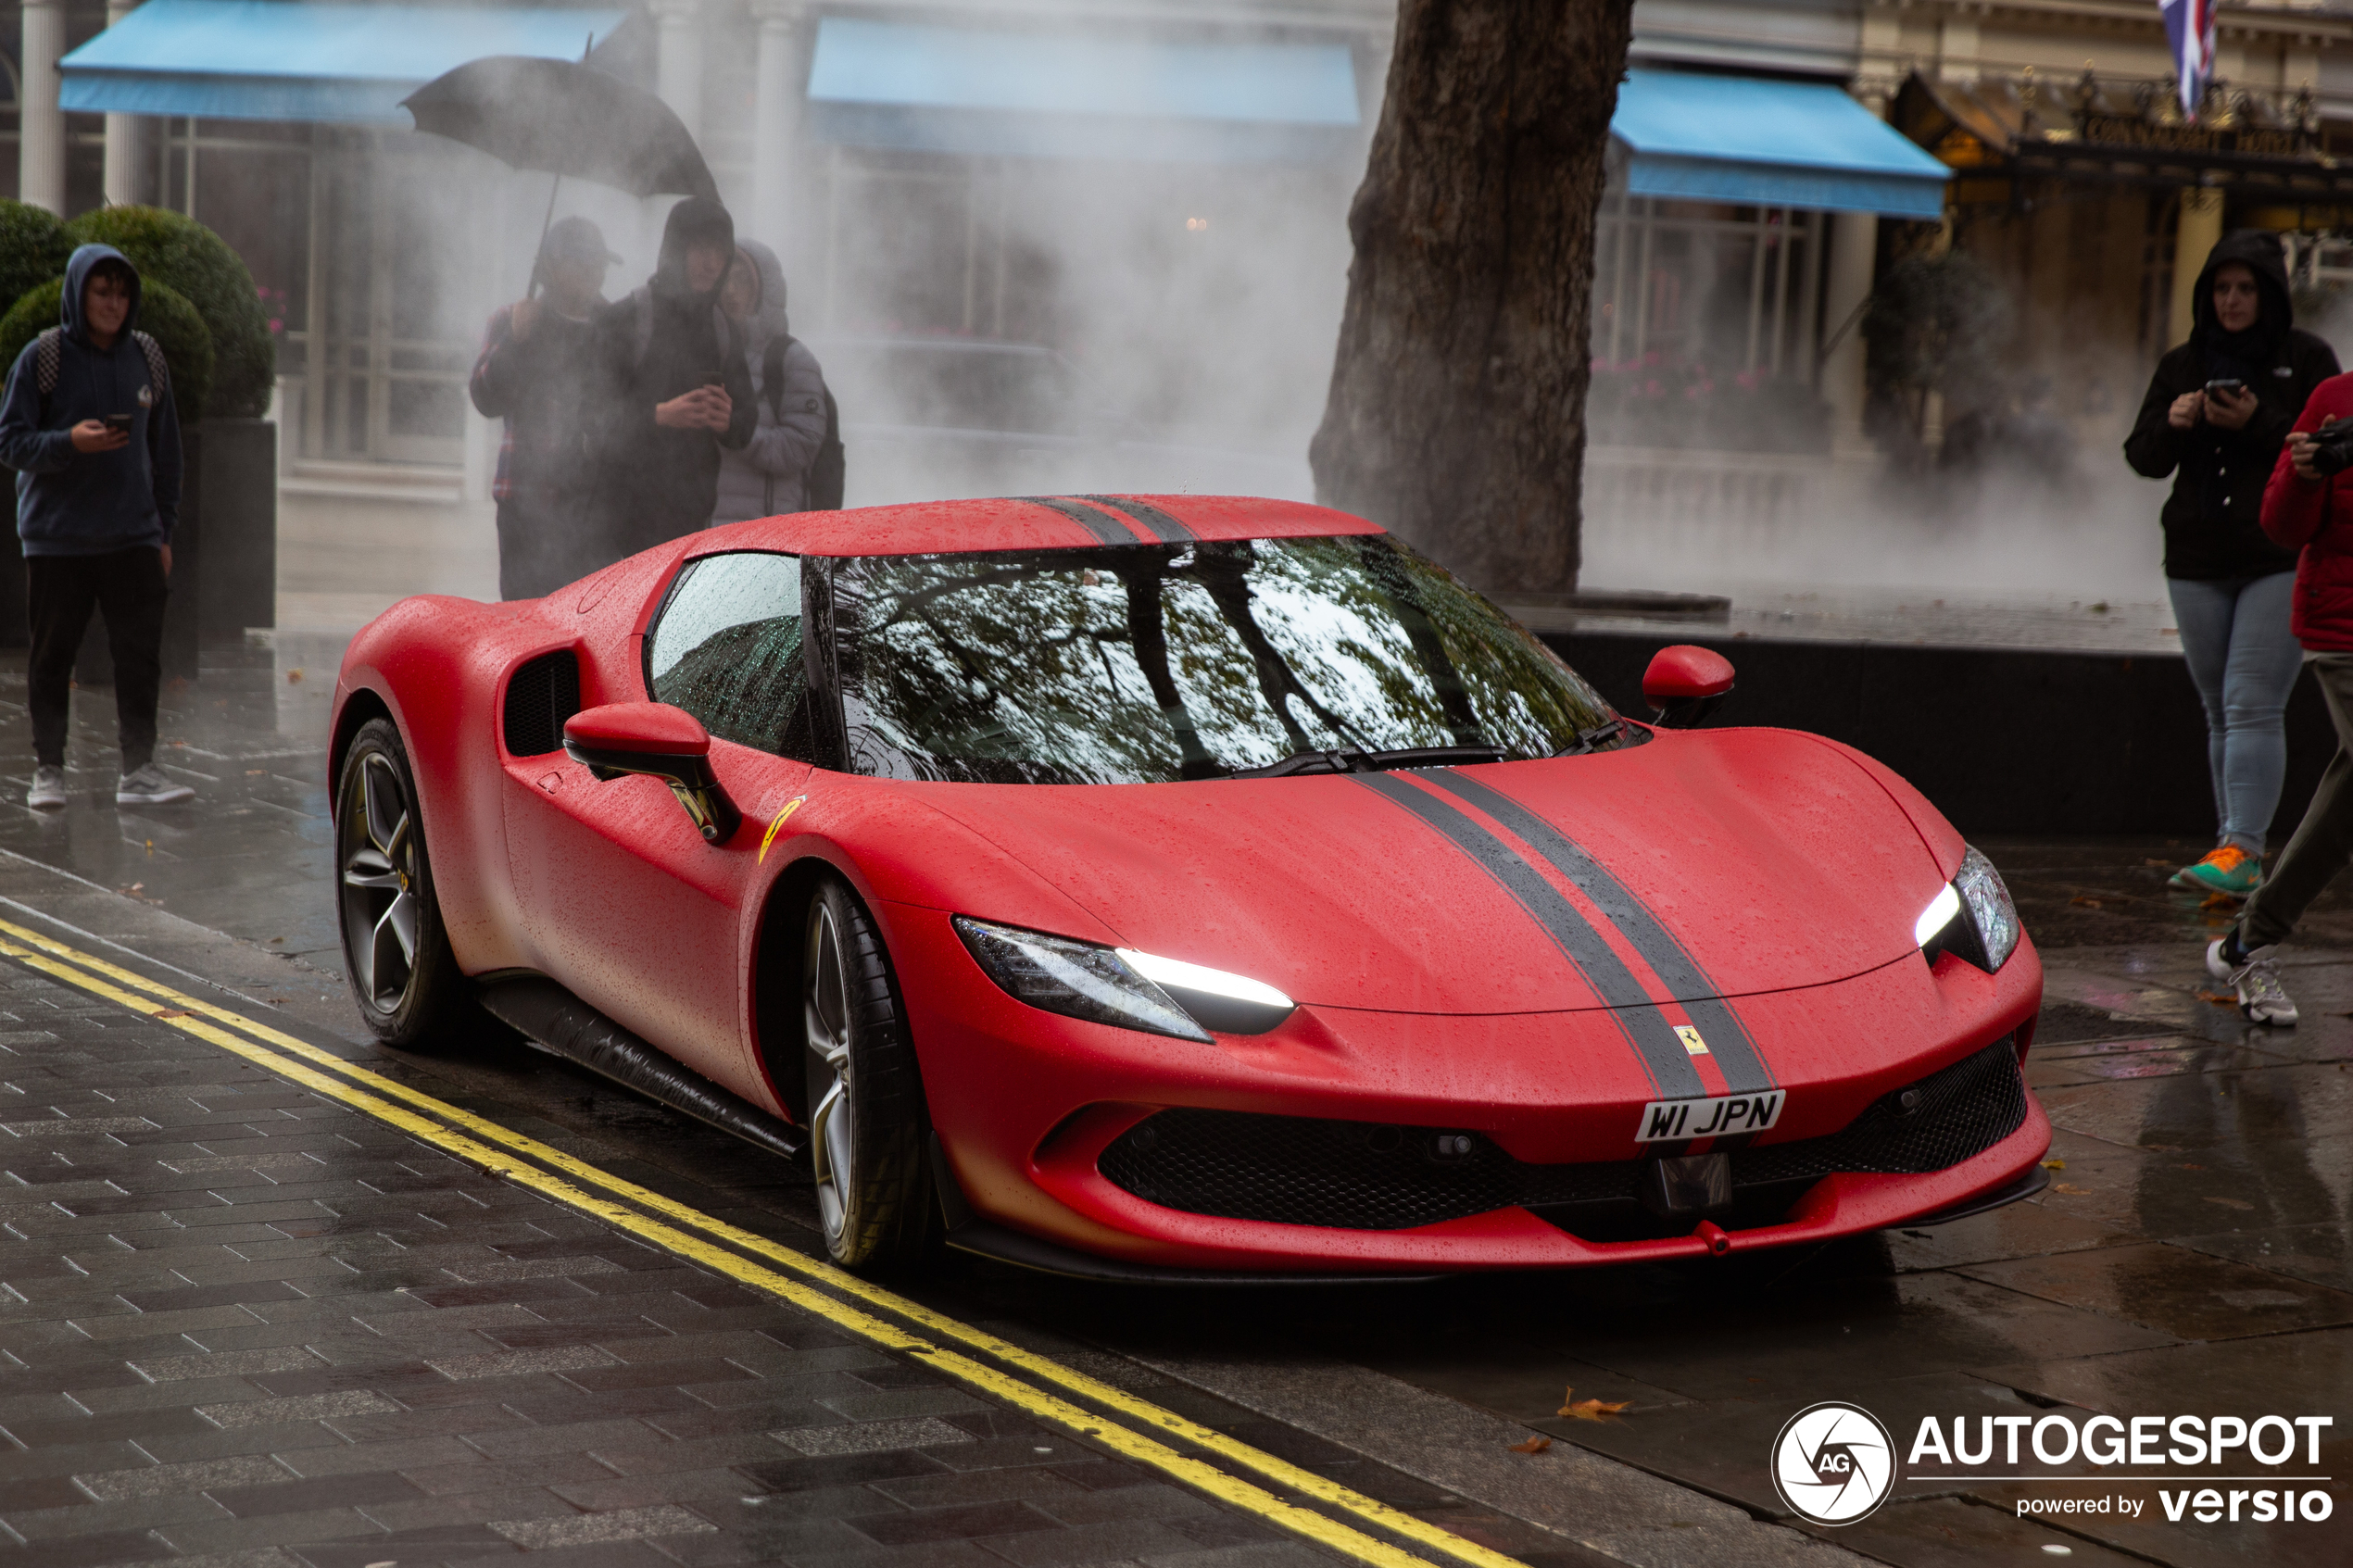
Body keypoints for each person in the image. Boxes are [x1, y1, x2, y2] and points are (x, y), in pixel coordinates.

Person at [2126, 230, 2339, 897]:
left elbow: (2329, 451)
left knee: (2251, 702)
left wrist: (2256, 420)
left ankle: (2243, 848)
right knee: (2220, 707)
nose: (2232, 300)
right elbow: (2142, 455)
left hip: (2274, 553)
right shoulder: (2183, 363)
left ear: (2270, 293)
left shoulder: (2306, 360)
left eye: (2246, 288)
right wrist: (2179, 419)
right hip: (2194, 555)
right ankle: (2229, 844)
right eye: (2221, 288)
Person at [0, 245, 189, 809]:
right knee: (52, 656)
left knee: (139, 655)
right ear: (79, 293)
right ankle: (49, 770)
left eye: (122, 292)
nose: (113, 303)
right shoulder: (44, 356)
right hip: (59, 537)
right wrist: (68, 443)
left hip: (132, 534)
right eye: (101, 291)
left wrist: (163, 531)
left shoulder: (147, 357)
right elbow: (9, 439)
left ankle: (139, 770)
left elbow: (168, 451)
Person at [2206, 377, 2353, 1024]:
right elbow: (2280, 525)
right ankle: (2252, 939)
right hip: (2344, 629)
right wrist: (2305, 474)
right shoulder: (2336, 398)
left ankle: (2249, 941)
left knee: (2348, 798)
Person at [588, 197, 755, 564]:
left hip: (691, 526)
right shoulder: (628, 318)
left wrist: (728, 420)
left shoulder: (722, 327)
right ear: (676, 249)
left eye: (720, 251)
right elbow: (589, 416)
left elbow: (745, 426)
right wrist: (659, 415)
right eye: (699, 248)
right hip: (617, 527)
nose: (711, 263)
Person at [469, 216, 620, 599]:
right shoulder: (514, 319)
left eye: (599, 264)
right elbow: (485, 397)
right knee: (524, 617)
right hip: (523, 498)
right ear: (551, 266)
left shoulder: (616, 325)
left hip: (592, 502)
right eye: (582, 262)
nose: (593, 273)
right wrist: (517, 340)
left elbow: (624, 410)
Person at [710, 242, 828, 525]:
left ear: (765, 289)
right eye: (725, 280)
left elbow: (802, 444)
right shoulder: (705, 354)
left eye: (742, 280)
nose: (730, 292)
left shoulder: (792, 360)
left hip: (768, 540)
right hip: (706, 537)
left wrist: (741, 434)